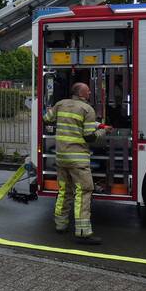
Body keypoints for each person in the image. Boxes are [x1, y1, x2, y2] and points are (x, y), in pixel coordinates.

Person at [43, 82, 108, 245]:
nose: (90, 93)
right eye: (88, 91)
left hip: (61, 158)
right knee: (83, 192)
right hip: (78, 160)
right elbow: (89, 137)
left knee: (64, 191)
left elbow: (46, 119)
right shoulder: (87, 109)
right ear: (81, 94)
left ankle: (60, 225)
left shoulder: (61, 104)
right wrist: (103, 131)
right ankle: (83, 232)